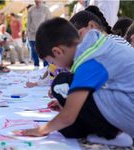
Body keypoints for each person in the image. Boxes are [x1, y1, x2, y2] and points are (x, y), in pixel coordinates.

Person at [13, 18, 134, 147]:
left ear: (57, 52)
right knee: (67, 129)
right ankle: (107, 132)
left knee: (62, 83)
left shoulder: (90, 59)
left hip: (130, 115)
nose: (55, 66)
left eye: (52, 62)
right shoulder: (95, 44)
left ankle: (114, 135)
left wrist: (40, 130)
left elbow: (68, 116)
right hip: (126, 104)